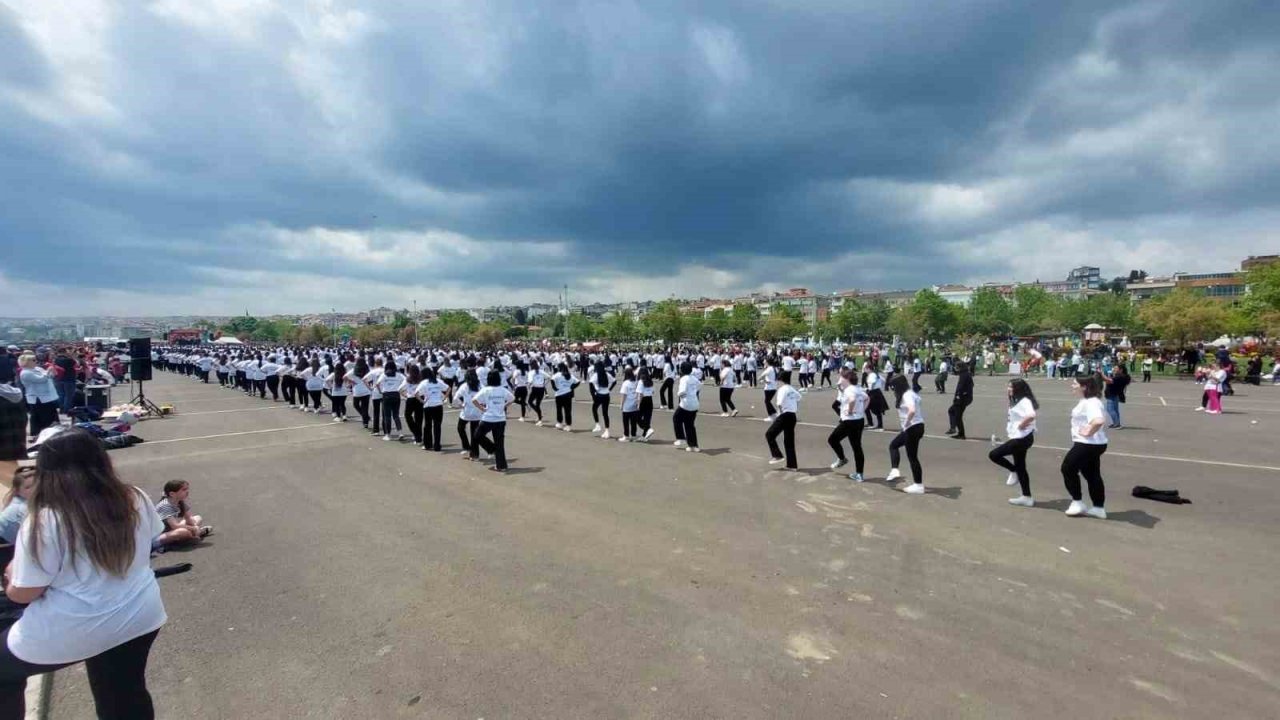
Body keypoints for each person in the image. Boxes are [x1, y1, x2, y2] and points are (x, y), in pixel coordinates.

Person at [0, 429, 166, 719]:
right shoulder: (133, 497)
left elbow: (24, 593)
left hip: (77, 625)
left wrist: (13, 572)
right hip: (140, 615)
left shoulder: (44, 519)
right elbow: (151, 538)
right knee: (124, 693)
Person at [1062, 376, 1110, 518]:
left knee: (1067, 468)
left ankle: (1077, 502)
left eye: (1075, 383)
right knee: (1092, 474)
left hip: (1087, 444)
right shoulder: (1088, 401)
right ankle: (1098, 508)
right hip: (1094, 444)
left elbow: (1098, 420)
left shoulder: (1091, 403)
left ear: (1084, 386)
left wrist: (1089, 431)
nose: (1072, 385)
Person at [989, 379, 1038, 507]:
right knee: (1021, 466)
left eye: (1011, 387)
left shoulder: (1024, 401)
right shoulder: (1015, 400)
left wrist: (1022, 425)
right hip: (1019, 437)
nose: (1008, 389)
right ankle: (1027, 497)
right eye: (1008, 386)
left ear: (1018, 388)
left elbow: (1031, 415)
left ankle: (1013, 470)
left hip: (1022, 438)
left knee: (994, 455)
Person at [885, 374, 926, 494]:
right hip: (917, 426)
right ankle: (895, 470)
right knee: (895, 446)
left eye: (893, 386)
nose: (893, 389)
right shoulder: (911, 393)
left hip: (912, 428)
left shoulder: (907, 395)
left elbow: (912, 410)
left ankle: (918, 485)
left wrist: (906, 424)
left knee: (910, 456)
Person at [827, 369, 868, 482]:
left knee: (832, 439)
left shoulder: (849, 390)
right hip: (859, 420)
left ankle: (842, 459)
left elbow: (852, 400)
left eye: (843, 378)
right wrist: (862, 410)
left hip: (849, 421)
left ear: (847, 379)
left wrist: (850, 411)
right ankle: (859, 474)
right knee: (857, 447)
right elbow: (867, 398)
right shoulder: (858, 388)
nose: (841, 380)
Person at [152, 479, 213, 550]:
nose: (187, 492)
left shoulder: (179, 501)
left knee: (197, 518)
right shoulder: (165, 505)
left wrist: (195, 527)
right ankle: (191, 536)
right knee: (182, 532)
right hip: (157, 535)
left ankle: (192, 535)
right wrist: (194, 528)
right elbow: (175, 526)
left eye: (187, 489)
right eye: (184, 490)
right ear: (172, 494)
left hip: (169, 530)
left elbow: (189, 518)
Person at [471, 371, 513, 472]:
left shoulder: (486, 390)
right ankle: (501, 465)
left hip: (489, 418)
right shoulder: (503, 390)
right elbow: (512, 398)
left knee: (477, 435)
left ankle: (492, 449)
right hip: (500, 419)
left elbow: (474, 400)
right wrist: (504, 406)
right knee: (499, 442)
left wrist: (482, 408)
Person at [765, 371, 801, 470]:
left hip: (784, 415)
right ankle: (792, 465)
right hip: (792, 416)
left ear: (781, 380)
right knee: (789, 441)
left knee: (769, 434)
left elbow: (779, 403)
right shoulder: (792, 389)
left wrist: (779, 415)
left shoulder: (782, 389)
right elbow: (799, 397)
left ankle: (777, 455)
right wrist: (794, 408)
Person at [18, 355, 59, 438]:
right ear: (27, 362)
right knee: (41, 416)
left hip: (47, 396)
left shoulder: (37, 369)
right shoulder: (25, 373)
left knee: (49, 414)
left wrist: (52, 370)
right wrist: (48, 371)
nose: (36, 361)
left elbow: (51, 376)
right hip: (37, 398)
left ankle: (50, 432)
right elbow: (41, 380)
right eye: (33, 360)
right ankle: (39, 433)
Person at [417, 366, 448, 452]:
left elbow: (416, 393)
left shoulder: (424, 382)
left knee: (427, 425)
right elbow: (448, 388)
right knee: (437, 426)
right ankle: (437, 445)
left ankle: (428, 444)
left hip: (428, 406)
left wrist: (422, 401)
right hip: (438, 405)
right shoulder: (438, 381)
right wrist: (444, 398)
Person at [0, 467, 34, 544]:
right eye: (27, 487)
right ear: (18, 491)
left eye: (36, 484)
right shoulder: (22, 507)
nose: (34, 489)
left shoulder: (24, 500)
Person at [672, 362, 701, 452]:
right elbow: (699, 386)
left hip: (686, 404)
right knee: (690, 425)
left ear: (682, 370)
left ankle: (681, 438)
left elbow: (682, 391)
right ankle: (694, 446)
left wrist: (679, 395)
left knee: (676, 418)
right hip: (695, 403)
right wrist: (693, 393)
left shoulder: (684, 378)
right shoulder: (694, 378)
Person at [945, 361, 973, 440]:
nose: (955, 369)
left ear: (960, 367)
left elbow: (960, 387)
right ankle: (954, 428)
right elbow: (971, 385)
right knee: (951, 411)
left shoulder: (963, 375)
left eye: (956, 367)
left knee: (958, 416)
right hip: (966, 398)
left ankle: (961, 434)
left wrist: (958, 396)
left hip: (962, 399)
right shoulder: (966, 374)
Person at [378, 360, 405, 441]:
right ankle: (400, 433)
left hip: (386, 395)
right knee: (396, 415)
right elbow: (406, 380)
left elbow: (377, 384)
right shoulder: (399, 375)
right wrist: (401, 389)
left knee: (387, 416)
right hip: (396, 394)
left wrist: (380, 391)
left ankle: (388, 435)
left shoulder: (384, 375)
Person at [589, 362, 615, 440]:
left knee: (594, 409)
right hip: (606, 395)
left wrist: (593, 396)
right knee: (605, 413)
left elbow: (590, 384)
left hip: (599, 395)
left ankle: (597, 425)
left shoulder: (595, 375)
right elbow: (614, 381)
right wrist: (609, 389)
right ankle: (607, 431)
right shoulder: (607, 374)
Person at [552, 363, 578, 432]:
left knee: (559, 410)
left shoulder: (557, 374)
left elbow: (552, 379)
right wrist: (572, 387)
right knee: (568, 410)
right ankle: (568, 425)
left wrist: (554, 388)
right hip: (568, 394)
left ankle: (559, 423)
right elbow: (578, 381)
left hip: (559, 394)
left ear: (559, 368)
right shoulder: (570, 375)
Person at [619, 368, 640, 442]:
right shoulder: (636, 382)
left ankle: (626, 435)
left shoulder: (625, 383)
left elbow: (624, 395)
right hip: (634, 404)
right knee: (633, 421)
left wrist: (621, 404)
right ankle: (633, 435)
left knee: (626, 421)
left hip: (627, 405)